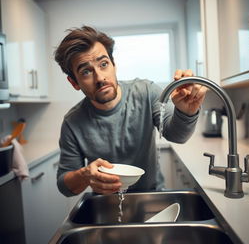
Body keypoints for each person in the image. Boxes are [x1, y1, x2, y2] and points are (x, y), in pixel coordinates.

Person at [54, 25, 206, 197]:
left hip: (152, 196)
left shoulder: (146, 92)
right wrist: (85, 175)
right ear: (74, 82)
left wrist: (186, 112)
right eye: (86, 71)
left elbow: (177, 135)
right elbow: (64, 186)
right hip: (104, 204)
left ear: (114, 64)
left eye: (103, 64)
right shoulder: (72, 122)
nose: (100, 78)